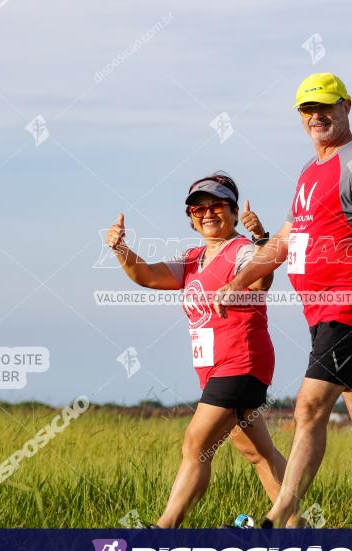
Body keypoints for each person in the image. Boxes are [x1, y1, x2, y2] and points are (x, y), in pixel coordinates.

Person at [213, 73, 352, 528]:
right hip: (322, 312)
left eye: (326, 107)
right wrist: (240, 280)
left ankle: (279, 516)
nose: (317, 116)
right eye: (308, 110)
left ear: (347, 105)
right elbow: (287, 240)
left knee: (309, 406)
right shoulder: (311, 172)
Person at [106, 172, 290, 528]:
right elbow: (147, 276)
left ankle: (164, 529)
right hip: (215, 369)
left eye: (217, 205)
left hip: (240, 361)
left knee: (195, 444)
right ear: (190, 218)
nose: (207, 213)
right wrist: (120, 250)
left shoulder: (244, 251)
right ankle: (298, 527)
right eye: (198, 208)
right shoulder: (192, 260)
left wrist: (263, 238)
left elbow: (263, 279)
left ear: (234, 212)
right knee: (257, 452)